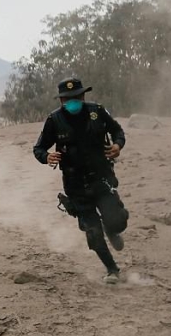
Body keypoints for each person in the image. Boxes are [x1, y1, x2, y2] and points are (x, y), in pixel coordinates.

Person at [33, 77, 129, 284]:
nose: (73, 101)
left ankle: (112, 229)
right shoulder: (54, 120)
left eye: (76, 97)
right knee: (93, 233)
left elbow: (117, 131)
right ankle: (112, 270)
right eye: (67, 98)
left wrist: (118, 145)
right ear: (61, 101)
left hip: (101, 179)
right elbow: (39, 148)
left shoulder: (98, 112)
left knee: (117, 221)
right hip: (76, 185)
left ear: (83, 96)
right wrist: (46, 157)